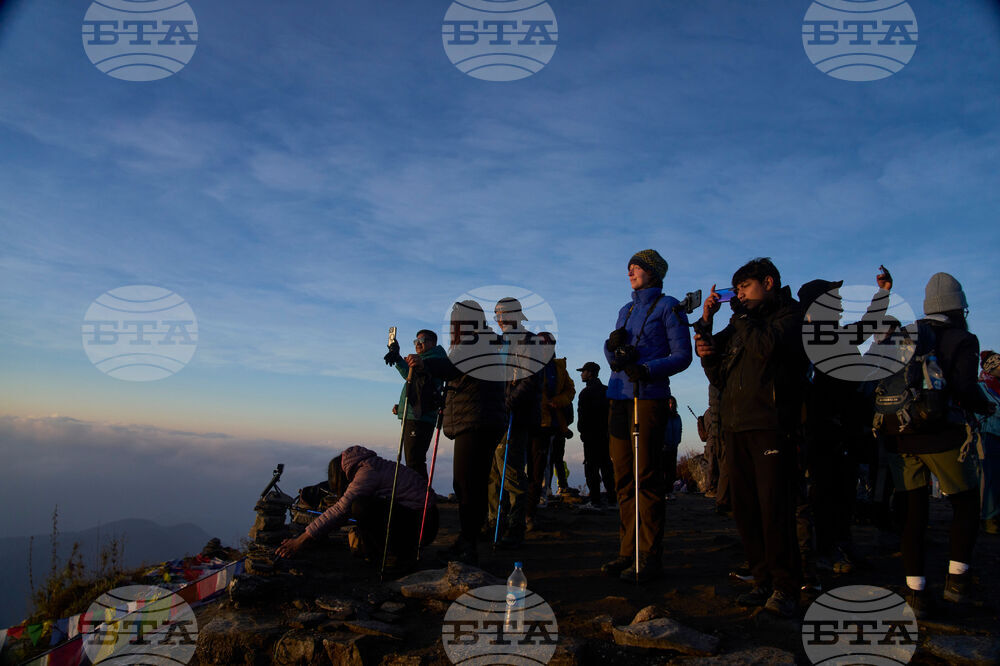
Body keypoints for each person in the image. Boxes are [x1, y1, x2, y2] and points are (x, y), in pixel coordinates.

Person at [877, 273, 996, 616]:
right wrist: (985, 406)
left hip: (900, 435)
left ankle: (916, 592)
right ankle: (957, 582)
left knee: (913, 515)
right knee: (966, 504)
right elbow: (963, 387)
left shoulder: (907, 333)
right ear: (959, 305)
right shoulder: (962, 338)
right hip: (940, 434)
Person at [695, 257, 806, 618]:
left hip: (772, 424)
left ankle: (785, 587)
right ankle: (761, 581)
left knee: (774, 508)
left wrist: (740, 316)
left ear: (769, 282)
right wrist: (707, 336)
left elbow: (764, 349)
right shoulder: (743, 323)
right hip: (736, 426)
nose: (740, 296)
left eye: (745, 288)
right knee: (746, 510)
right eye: (737, 291)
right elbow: (718, 375)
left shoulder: (790, 316)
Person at [601, 249, 692, 583]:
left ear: (654, 272)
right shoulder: (625, 310)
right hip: (619, 396)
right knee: (623, 477)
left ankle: (648, 556)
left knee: (645, 477)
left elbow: (683, 356)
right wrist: (612, 347)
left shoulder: (669, 307)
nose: (631, 270)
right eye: (629, 266)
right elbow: (614, 356)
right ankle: (627, 552)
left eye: (638, 266)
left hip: (648, 397)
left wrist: (647, 369)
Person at [408, 301, 507, 565]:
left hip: (478, 420)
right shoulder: (481, 341)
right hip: (483, 419)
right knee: (470, 482)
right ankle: (467, 540)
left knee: (466, 483)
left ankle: (468, 545)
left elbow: (452, 369)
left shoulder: (475, 342)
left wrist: (426, 365)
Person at [275, 446, 438, 574]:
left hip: (422, 526)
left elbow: (341, 509)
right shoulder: (372, 464)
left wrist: (301, 540)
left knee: (360, 507)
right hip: (425, 519)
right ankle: (387, 553)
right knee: (365, 506)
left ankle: (397, 557)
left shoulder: (366, 472)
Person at [487, 297, 542, 547]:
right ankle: (493, 522)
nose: (499, 318)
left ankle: (514, 526)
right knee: (493, 473)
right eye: (496, 313)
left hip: (514, 415)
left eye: (502, 313)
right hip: (496, 413)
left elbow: (530, 379)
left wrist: (508, 403)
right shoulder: (499, 342)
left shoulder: (529, 341)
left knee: (510, 472)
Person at [384, 330, 446, 478]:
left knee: (414, 460)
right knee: (414, 459)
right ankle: (420, 495)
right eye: (415, 341)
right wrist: (403, 407)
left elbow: (417, 379)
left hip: (421, 418)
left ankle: (421, 497)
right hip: (415, 415)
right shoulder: (425, 359)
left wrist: (401, 358)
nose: (418, 344)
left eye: (422, 340)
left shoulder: (434, 360)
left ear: (432, 342)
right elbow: (412, 379)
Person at [577, 361, 615, 509]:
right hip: (605, 435)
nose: (581, 374)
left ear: (590, 373)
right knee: (606, 466)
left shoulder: (585, 393)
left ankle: (595, 501)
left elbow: (583, 417)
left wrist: (582, 432)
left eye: (584, 371)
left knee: (591, 468)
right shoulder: (607, 390)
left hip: (590, 436)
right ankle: (612, 499)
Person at [979, 352, 1000, 534]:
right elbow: (992, 410)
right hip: (989, 434)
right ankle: (988, 516)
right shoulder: (983, 387)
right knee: (990, 478)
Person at [663, 397, 682, 500]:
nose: (671, 405)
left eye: (673, 403)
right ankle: (665, 491)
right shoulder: (664, 416)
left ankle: (669, 491)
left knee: (671, 471)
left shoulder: (677, 417)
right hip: (665, 447)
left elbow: (680, 429)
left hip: (674, 447)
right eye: (669, 403)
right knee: (664, 470)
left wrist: (677, 441)